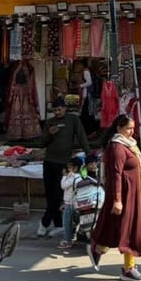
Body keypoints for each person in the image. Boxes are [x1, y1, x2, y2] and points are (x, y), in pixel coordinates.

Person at [87, 113, 141, 281]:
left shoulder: (128, 145)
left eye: (133, 128)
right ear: (119, 128)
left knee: (116, 227)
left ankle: (97, 248)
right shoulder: (117, 148)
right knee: (129, 231)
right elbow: (115, 175)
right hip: (124, 196)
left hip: (132, 195)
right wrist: (117, 199)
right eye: (128, 128)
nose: (132, 132)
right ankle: (128, 268)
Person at [37, 97, 89, 237]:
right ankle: (58, 224)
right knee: (50, 195)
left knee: (58, 195)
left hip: (63, 164)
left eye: (59, 109)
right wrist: (49, 134)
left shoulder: (73, 120)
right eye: (55, 111)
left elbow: (82, 136)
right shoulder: (50, 122)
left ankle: (44, 222)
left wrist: (89, 155)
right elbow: (42, 143)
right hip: (49, 162)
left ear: (65, 108)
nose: (57, 112)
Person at [59, 156, 83, 249]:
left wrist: (64, 176)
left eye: (70, 167)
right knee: (75, 221)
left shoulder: (73, 177)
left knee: (67, 223)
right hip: (74, 203)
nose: (68, 169)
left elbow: (63, 186)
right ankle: (73, 236)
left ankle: (67, 241)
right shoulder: (80, 177)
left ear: (75, 168)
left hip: (70, 203)